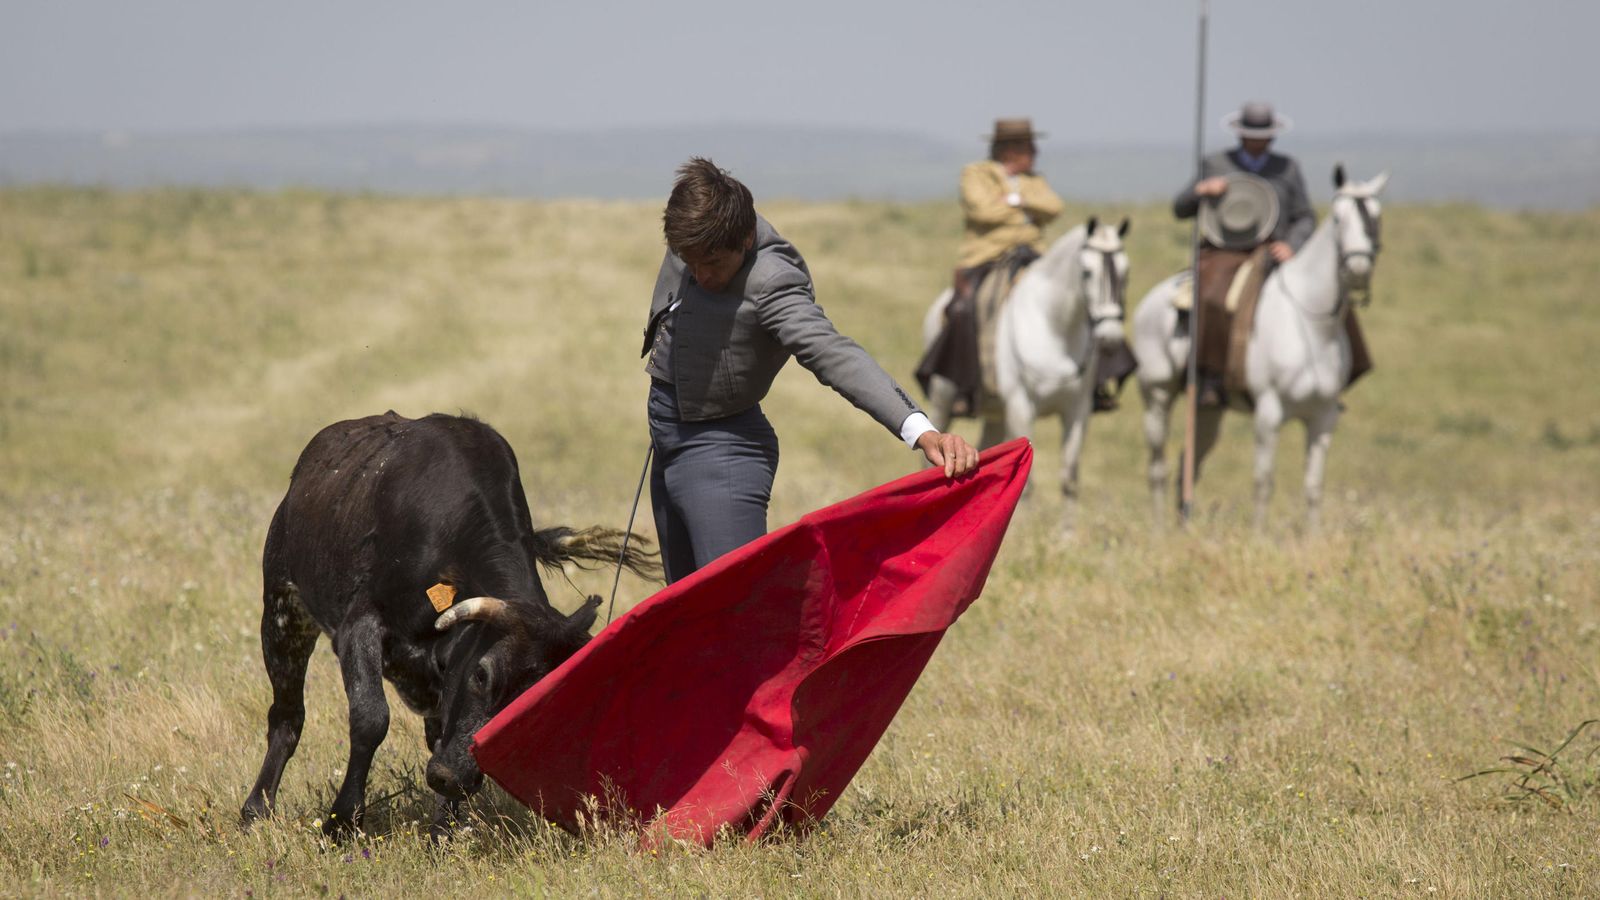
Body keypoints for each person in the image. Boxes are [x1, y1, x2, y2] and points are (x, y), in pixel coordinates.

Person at [642, 158, 979, 584]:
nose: (701, 275)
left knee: (729, 611)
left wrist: (922, 431)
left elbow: (833, 354)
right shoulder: (702, 224)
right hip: (667, 434)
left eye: (713, 264)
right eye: (690, 262)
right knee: (681, 614)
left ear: (745, 241)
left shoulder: (773, 282)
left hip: (719, 450)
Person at [1172, 101, 1370, 404]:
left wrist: (1292, 244)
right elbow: (1180, 208)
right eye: (1252, 133)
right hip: (1226, 251)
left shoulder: (1287, 168)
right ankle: (1210, 373)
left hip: (1274, 250)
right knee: (1212, 294)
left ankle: (1345, 370)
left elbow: (1304, 214)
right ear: (1239, 135)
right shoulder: (1215, 164)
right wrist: (1201, 190)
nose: (1258, 140)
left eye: (1264, 134)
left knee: (1332, 296)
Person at [916, 118, 1065, 417]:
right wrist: (1025, 209)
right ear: (1009, 150)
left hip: (1032, 256)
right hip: (987, 258)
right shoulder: (975, 174)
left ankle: (1090, 382)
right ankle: (965, 382)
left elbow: (1054, 207)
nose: (1035, 152)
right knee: (966, 308)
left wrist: (1013, 199)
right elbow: (982, 210)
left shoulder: (1034, 179)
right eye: (1028, 147)